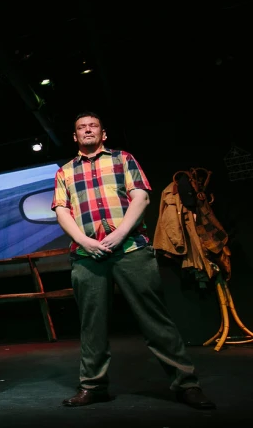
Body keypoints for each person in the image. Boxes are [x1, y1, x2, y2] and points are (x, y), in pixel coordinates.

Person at [51, 111, 215, 409]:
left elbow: (141, 197)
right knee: (92, 326)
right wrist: (85, 241)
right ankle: (93, 387)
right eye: (81, 128)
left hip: (130, 250)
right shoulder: (64, 172)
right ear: (75, 137)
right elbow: (62, 211)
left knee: (155, 319)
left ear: (103, 133)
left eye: (93, 126)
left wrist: (120, 234)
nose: (87, 130)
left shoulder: (123, 159)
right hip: (87, 256)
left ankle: (186, 384)